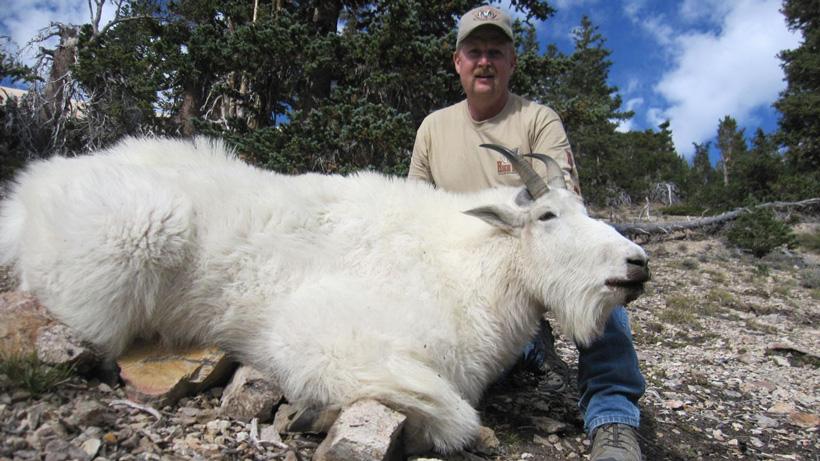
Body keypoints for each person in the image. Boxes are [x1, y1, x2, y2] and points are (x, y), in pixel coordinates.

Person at [408, 5, 645, 461]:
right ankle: (533, 352)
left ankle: (613, 418)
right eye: (474, 51)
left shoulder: (538, 119)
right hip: (462, 274)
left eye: (495, 52)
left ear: (511, 62)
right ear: (458, 61)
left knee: (605, 280)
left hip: (534, 252)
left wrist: (517, 211)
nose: (484, 61)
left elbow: (563, 200)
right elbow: (412, 209)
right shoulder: (433, 129)